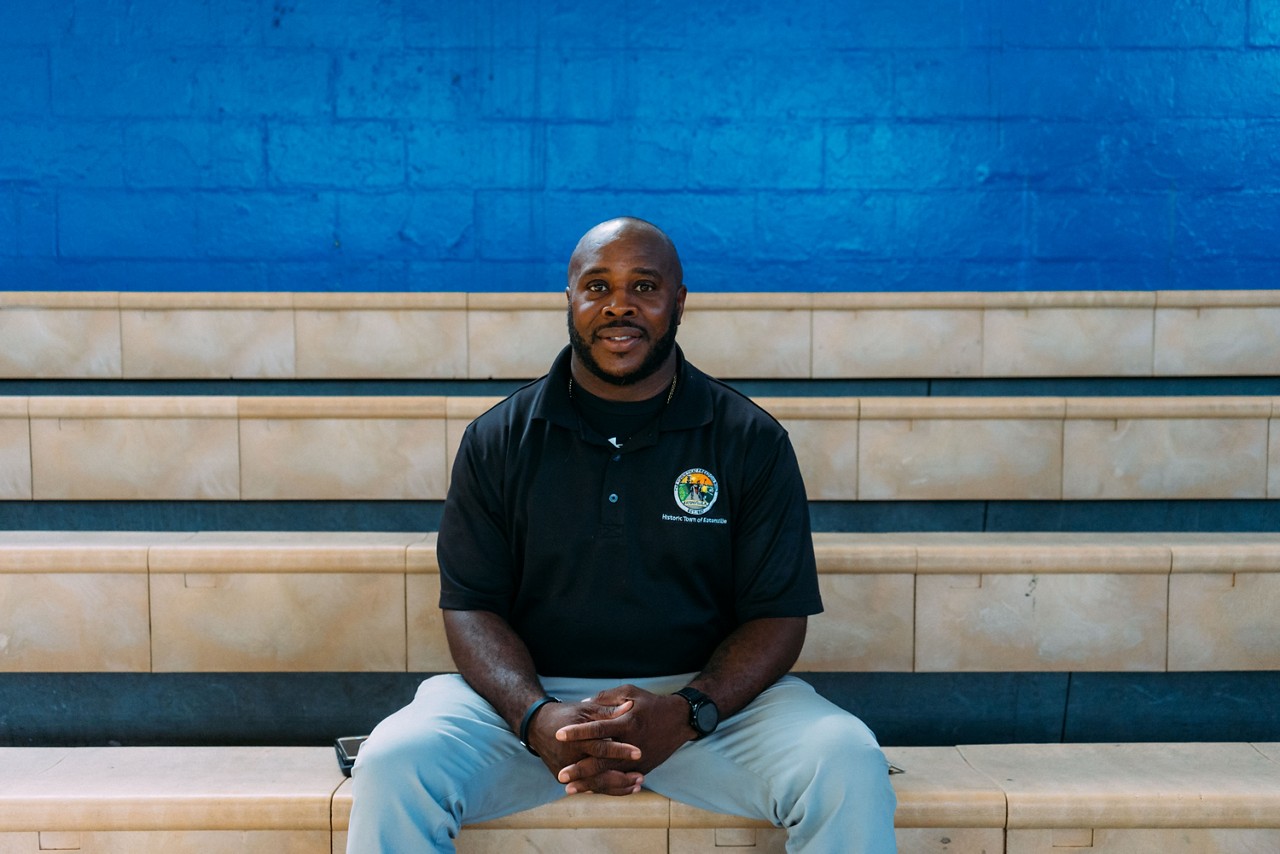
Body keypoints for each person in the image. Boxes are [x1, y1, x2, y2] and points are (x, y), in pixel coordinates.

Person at [346, 217, 898, 853]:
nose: (619, 306)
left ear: (679, 303)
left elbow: (778, 618)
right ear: (571, 300)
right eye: (597, 286)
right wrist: (535, 716)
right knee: (394, 760)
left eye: (644, 285)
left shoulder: (750, 439)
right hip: (528, 711)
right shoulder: (499, 439)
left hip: (705, 712)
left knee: (848, 759)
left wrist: (689, 712)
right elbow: (470, 606)